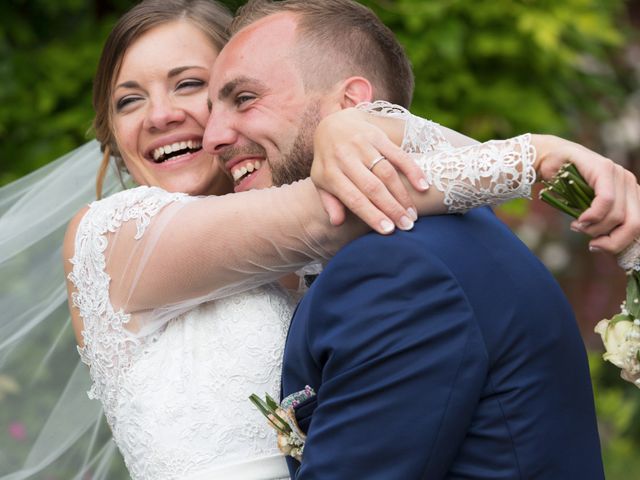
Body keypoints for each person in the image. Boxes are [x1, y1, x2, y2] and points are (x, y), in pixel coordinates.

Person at [0, 1, 637, 480]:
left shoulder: (316, 256)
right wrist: (543, 155)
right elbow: (329, 208)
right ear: (110, 136)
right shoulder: (113, 239)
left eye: (190, 85)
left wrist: (356, 124)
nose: (162, 114)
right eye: (128, 100)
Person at [202, 0, 640, 478]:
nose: (212, 136)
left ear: (351, 107)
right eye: (211, 110)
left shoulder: (394, 269)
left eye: (244, 98)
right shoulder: (453, 235)